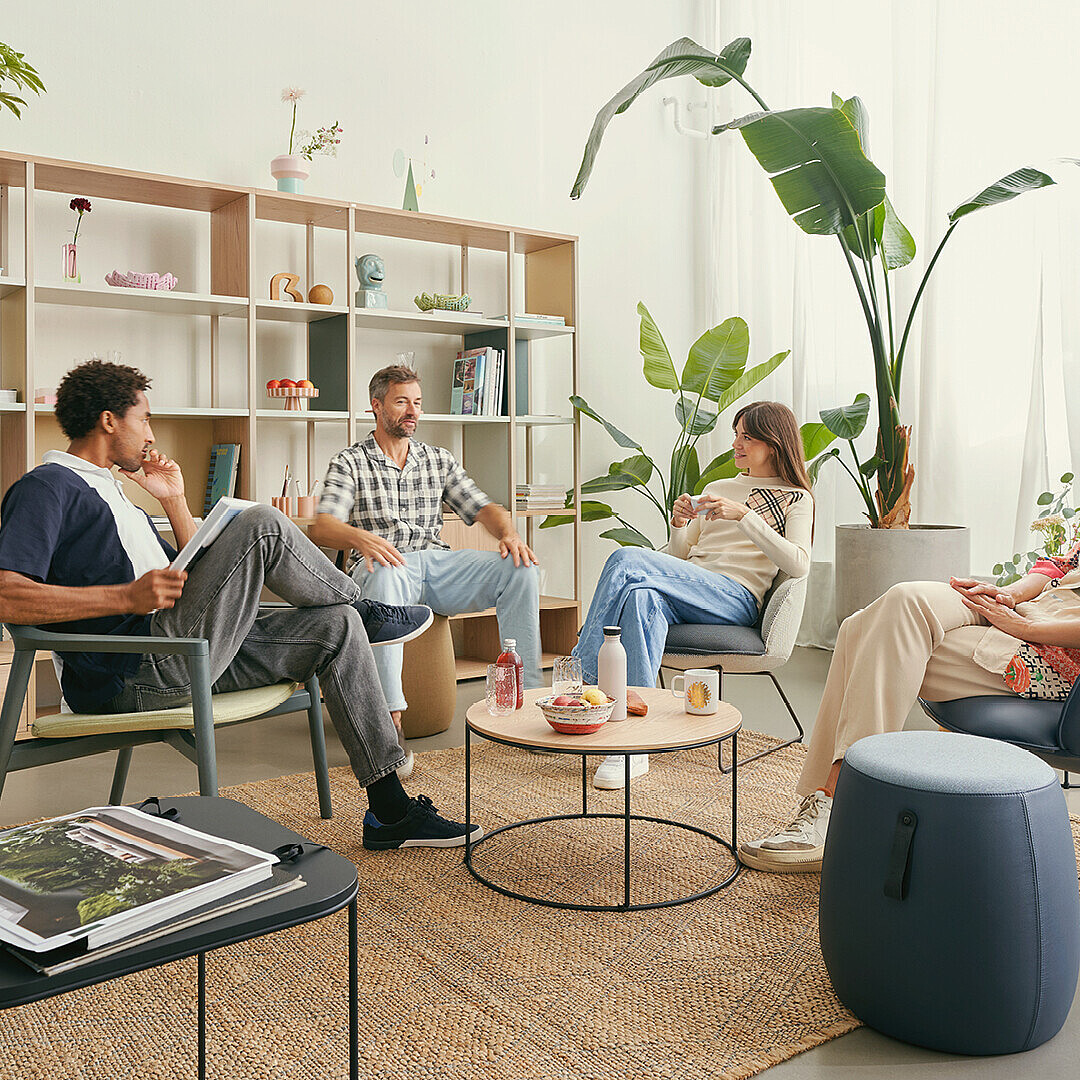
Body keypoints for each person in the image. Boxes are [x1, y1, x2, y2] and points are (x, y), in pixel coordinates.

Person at [0, 359, 479, 851]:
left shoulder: (118, 495)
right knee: (261, 523)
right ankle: (364, 606)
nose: (150, 433)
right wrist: (125, 596)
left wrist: (174, 502)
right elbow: (6, 594)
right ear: (108, 420)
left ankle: (390, 812)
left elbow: (193, 578)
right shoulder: (48, 486)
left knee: (336, 626)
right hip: (136, 673)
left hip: (184, 653)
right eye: (144, 419)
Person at [739, 541, 1080, 873]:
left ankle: (840, 804)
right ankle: (838, 806)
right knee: (901, 601)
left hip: (1056, 650)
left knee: (864, 632)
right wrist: (1011, 595)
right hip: (1030, 609)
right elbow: (1062, 564)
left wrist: (1029, 628)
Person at [308, 364, 542, 770]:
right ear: (376, 406)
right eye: (401, 402)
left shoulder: (438, 460)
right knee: (385, 573)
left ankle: (528, 702)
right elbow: (322, 526)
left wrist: (509, 534)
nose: (411, 411)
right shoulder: (349, 462)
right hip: (383, 565)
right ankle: (389, 723)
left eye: (416, 402)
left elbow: (483, 506)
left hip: (438, 563)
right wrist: (361, 538)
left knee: (521, 570)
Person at [572, 401, 814, 789]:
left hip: (734, 598)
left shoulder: (796, 498)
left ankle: (580, 678)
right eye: (735, 434)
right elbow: (681, 556)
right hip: (690, 588)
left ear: (773, 443)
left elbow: (799, 564)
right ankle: (634, 746)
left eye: (746, 437)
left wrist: (745, 517)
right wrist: (681, 524)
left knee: (625, 559)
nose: (736, 443)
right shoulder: (718, 489)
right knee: (640, 597)